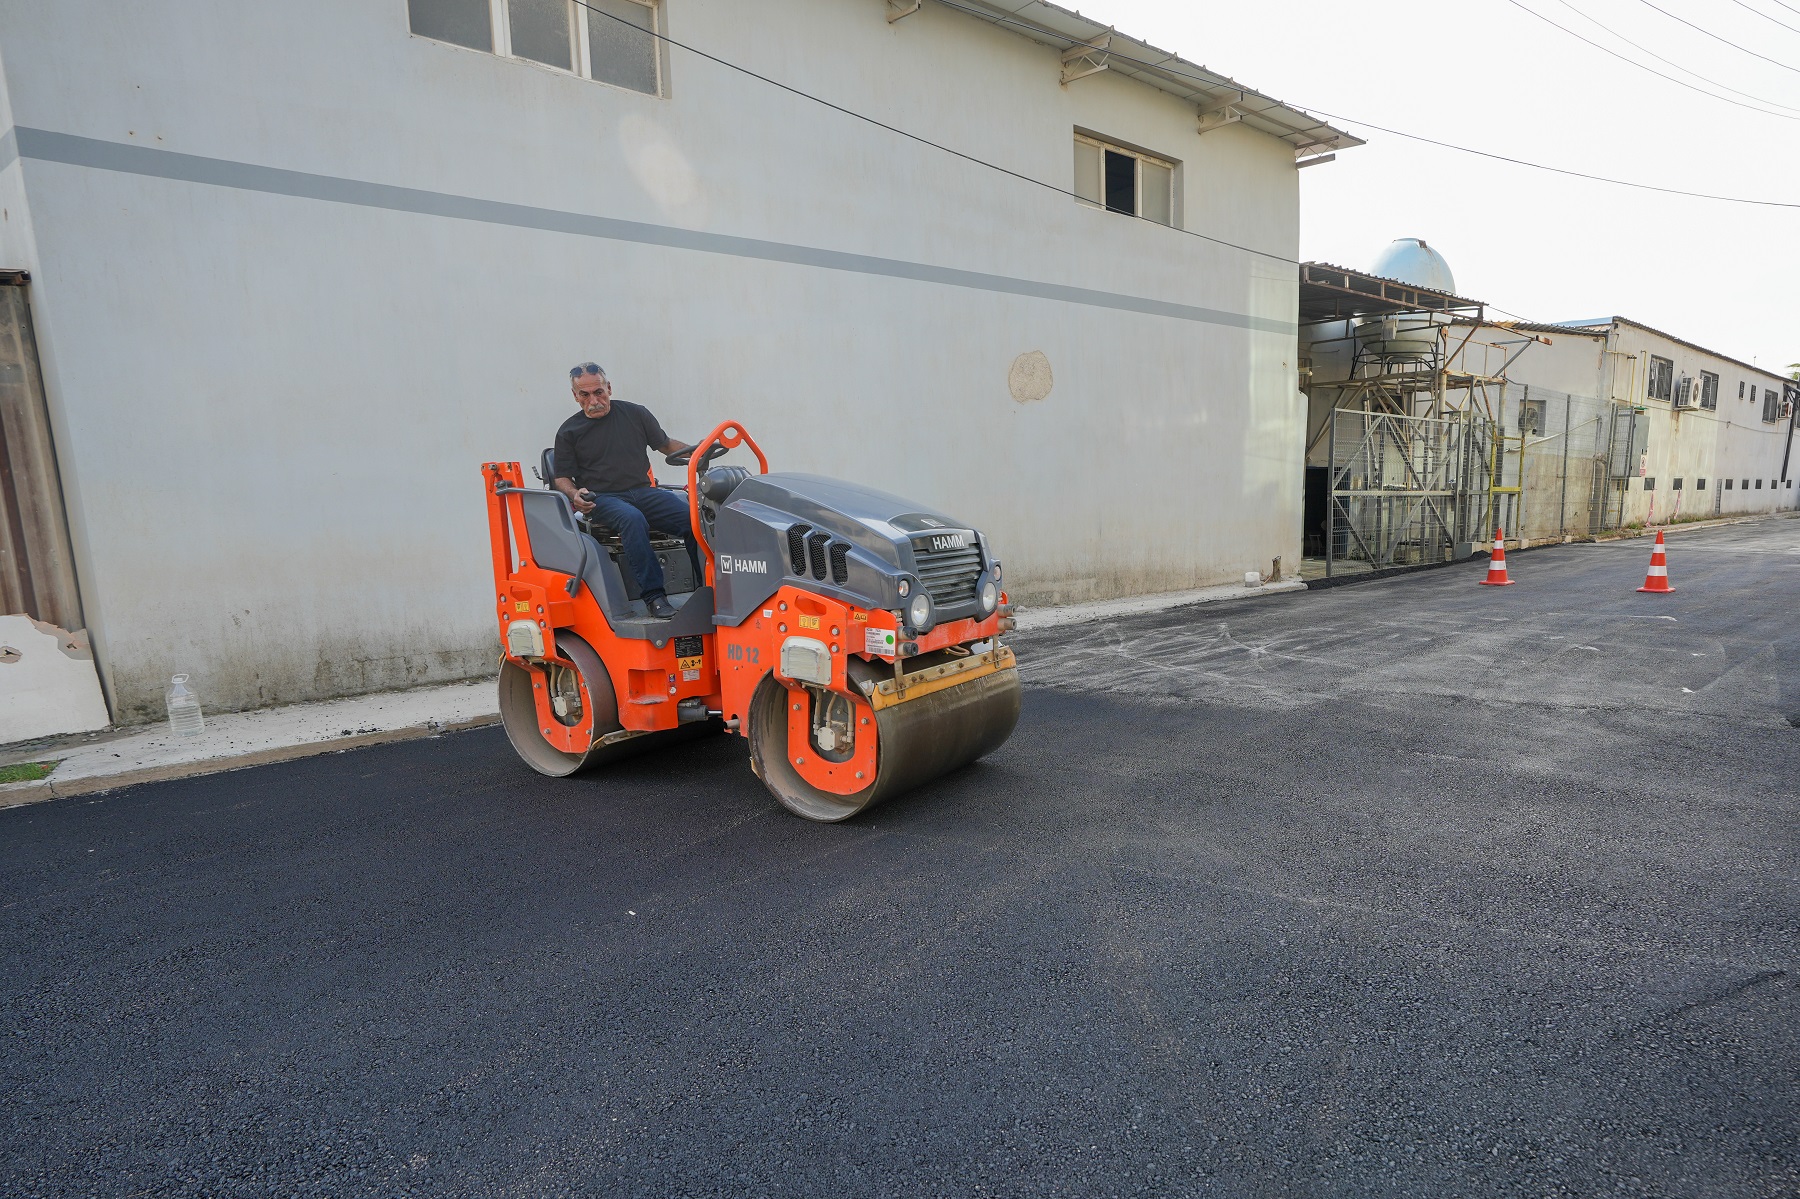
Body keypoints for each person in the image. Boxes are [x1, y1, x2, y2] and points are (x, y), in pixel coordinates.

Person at [552, 363, 699, 619]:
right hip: (602, 499)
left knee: (695, 520)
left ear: (609, 388)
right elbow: (562, 477)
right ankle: (655, 597)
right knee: (631, 519)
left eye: (598, 392)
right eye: (585, 395)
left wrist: (700, 452)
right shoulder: (568, 432)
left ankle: (705, 589)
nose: (594, 400)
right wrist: (575, 494)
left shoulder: (636, 414)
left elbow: (665, 445)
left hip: (643, 492)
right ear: (575, 397)